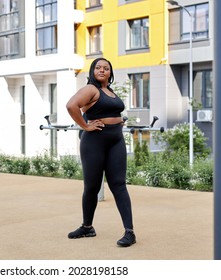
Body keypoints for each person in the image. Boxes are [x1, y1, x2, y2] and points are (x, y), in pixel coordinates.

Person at [65, 57, 136, 247]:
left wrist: (118, 121)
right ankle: (87, 227)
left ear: (110, 72)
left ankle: (130, 232)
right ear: (92, 71)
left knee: (119, 184)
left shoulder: (109, 91)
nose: (102, 70)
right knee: (92, 186)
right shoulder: (91, 89)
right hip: (94, 141)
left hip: (116, 140)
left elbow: (111, 112)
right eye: (98, 67)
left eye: (106, 68)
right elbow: (71, 105)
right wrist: (85, 126)